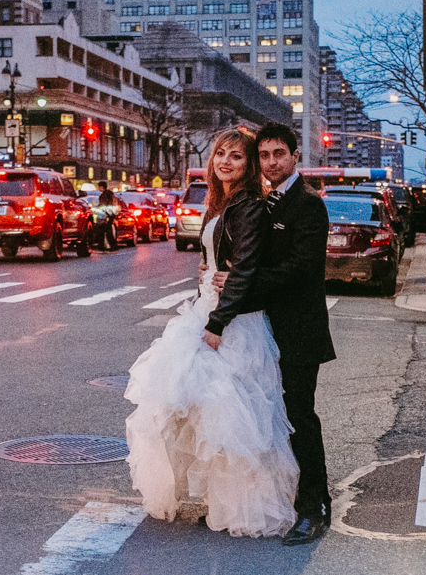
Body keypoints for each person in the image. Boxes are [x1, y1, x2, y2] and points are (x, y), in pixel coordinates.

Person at [123, 126, 299, 538]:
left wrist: (218, 323)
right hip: (210, 309)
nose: (225, 161)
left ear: (249, 164)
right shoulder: (223, 203)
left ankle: (244, 506)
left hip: (232, 322)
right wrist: (208, 268)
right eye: (221, 153)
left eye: (237, 157)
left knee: (234, 418)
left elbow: (247, 268)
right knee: (201, 412)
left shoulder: (249, 206)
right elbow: (223, 258)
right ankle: (215, 498)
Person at [213, 123, 336, 546]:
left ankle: (314, 509)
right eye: (264, 156)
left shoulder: (308, 205)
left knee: (300, 417)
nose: (271, 163)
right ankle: (291, 497)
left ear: (295, 155)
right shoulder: (265, 201)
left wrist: (239, 282)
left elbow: (301, 270)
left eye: (278, 154)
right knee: (273, 417)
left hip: (300, 330)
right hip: (265, 329)